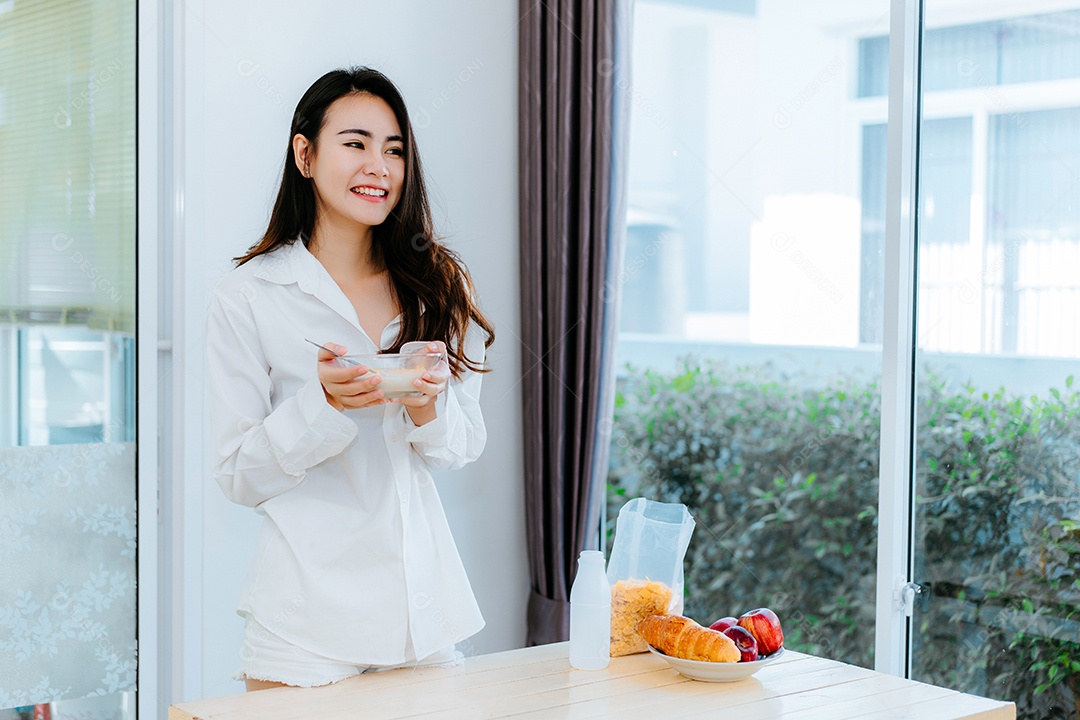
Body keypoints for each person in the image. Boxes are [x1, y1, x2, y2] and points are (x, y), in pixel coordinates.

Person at [205, 67, 495, 691]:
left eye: (394, 150)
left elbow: (462, 446)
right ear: (305, 154)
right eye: (356, 143)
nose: (378, 167)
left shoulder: (438, 283)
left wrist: (425, 405)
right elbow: (236, 473)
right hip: (303, 625)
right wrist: (324, 407)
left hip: (423, 615)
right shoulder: (249, 296)